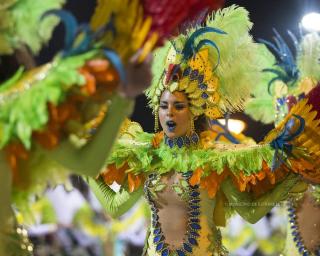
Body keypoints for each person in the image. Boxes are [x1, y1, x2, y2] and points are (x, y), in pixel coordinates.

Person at [88, 5, 320, 255]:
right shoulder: (147, 158)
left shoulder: (214, 162)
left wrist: (293, 174)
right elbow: (114, 206)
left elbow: (250, 212)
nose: (169, 113)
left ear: (194, 111)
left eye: (178, 106)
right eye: (164, 106)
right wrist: (85, 167)